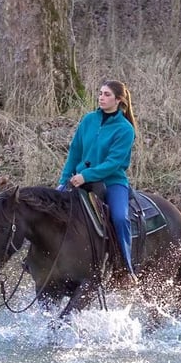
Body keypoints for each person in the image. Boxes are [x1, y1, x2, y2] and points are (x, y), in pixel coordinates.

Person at [57, 79, 138, 281]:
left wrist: (86, 175)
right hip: (78, 179)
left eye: (107, 94)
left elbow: (114, 163)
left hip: (112, 182)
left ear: (119, 100)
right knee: (48, 210)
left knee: (120, 217)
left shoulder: (125, 129)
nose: (101, 97)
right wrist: (64, 180)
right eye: (100, 93)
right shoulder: (88, 120)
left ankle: (126, 268)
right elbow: (74, 152)